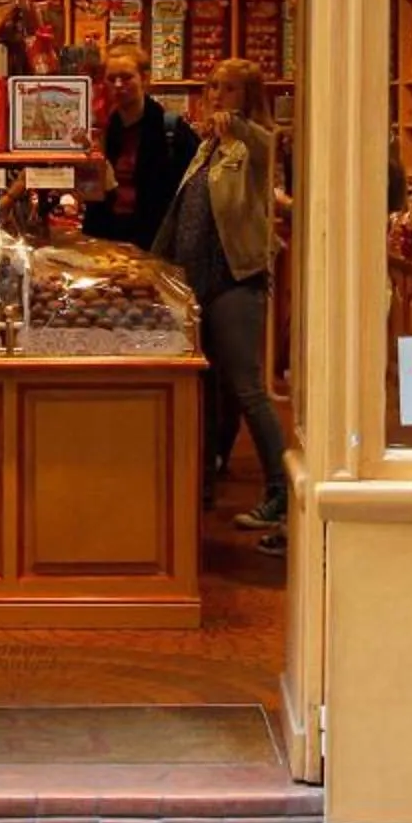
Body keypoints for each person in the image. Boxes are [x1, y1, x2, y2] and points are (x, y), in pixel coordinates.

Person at [152, 58, 289, 551]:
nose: (216, 95)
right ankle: (204, 481)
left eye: (229, 88)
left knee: (248, 388)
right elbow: (183, 211)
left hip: (235, 278)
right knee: (206, 386)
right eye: (212, 86)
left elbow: (268, 146)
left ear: (248, 96)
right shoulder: (206, 146)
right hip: (196, 282)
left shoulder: (252, 144)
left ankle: (282, 491)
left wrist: (241, 126)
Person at [86, 43, 193, 251]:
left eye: (126, 77)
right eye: (111, 79)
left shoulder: (171, 129)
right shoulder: (103, 130)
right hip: (108, 239)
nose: (118, 85)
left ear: (144, 78)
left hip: (155, 241)